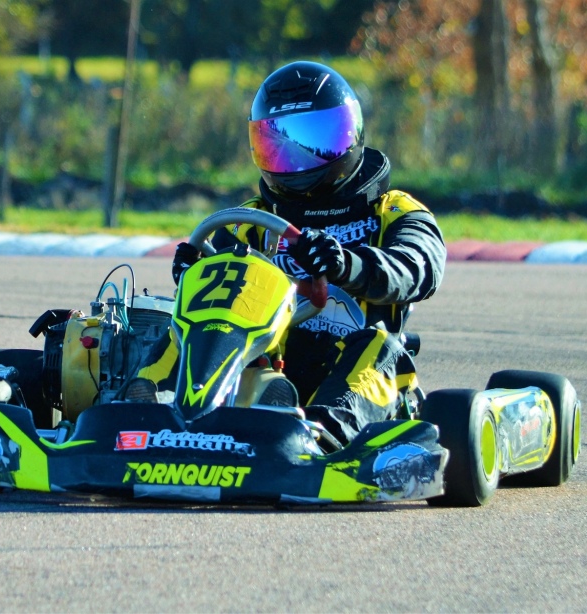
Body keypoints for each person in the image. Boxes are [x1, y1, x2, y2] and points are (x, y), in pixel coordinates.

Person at [129, 60, 447, 443]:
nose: (297, 160)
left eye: (313, 140)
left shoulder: (392, 211)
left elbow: (416, 268)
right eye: (280, 144)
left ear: (348, 133)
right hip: (269, 358)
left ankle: (321, 433)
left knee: (380, 346)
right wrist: (197, 274)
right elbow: (221, 287)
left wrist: (348, 265)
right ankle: (138, 410)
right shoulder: (254, 219)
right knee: (192, 322)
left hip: (354, 369)